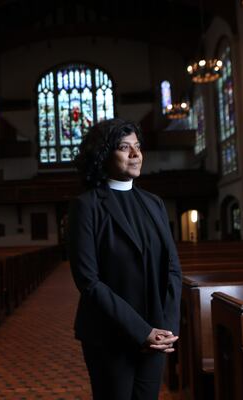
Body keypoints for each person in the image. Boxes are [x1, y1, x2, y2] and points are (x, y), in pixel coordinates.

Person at [68, 118, 182, 399]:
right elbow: (88, 281)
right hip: (110, 334)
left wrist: (165, 329)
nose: (135, 154)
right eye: (124, 147)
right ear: (104, 154)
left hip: (156, 333)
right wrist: (140, 331)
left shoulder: (153, 203)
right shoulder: (87, 206)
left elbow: (173, 270)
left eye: (138, 147)